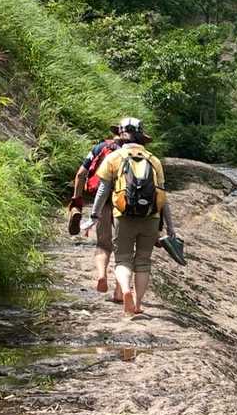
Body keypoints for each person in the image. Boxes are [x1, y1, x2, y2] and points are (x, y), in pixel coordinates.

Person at [84, 120, 175, 317]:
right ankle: (138, 303)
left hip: (123, 216)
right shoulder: (153, 160)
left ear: (121, 135)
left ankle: (125, 289)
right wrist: (170, 227)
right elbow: (163, 196)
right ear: (142, 137)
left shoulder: (114, 157)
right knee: (143, 261)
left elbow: (102, 190)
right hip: (151, 217)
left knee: (123, 259)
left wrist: (94, 215)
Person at [72, 122, 127, 299]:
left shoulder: (100, 148)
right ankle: (119, 291)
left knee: (103, 244)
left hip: (102, 202)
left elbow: (81, 174)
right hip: (124, 203)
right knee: (124, 249)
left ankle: (102, 274)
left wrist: (76, 201)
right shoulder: (133, 152)